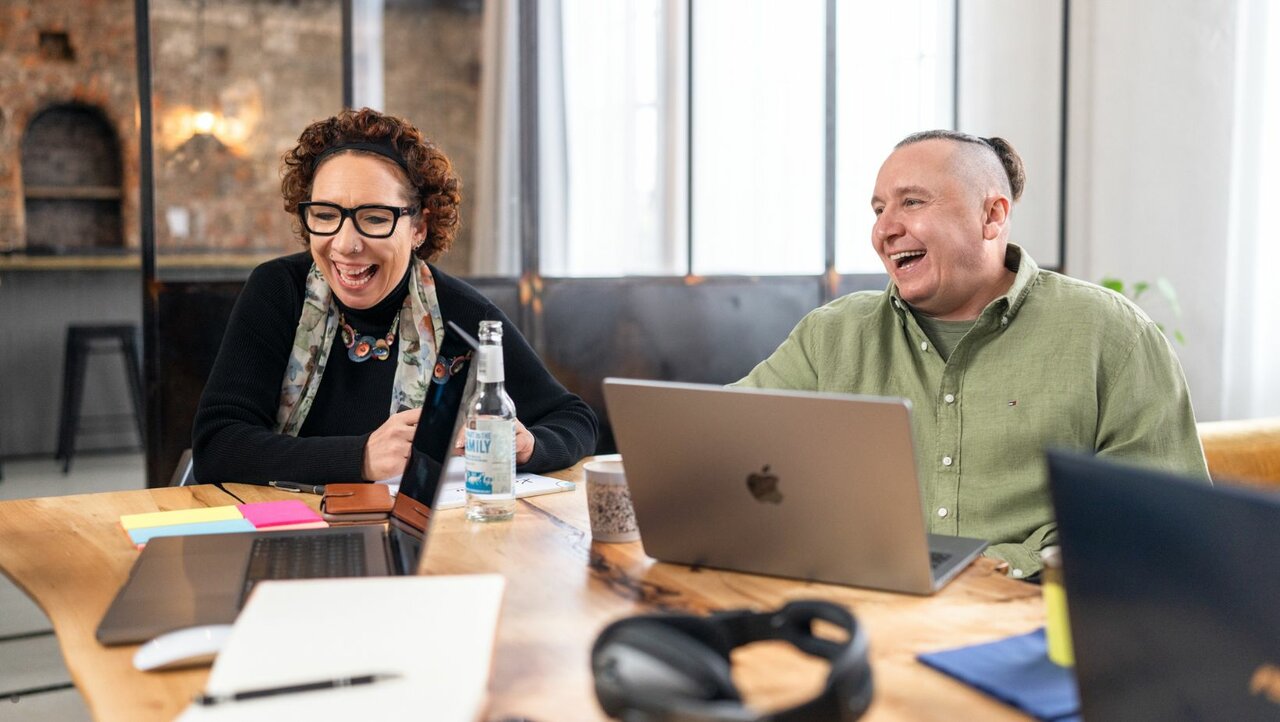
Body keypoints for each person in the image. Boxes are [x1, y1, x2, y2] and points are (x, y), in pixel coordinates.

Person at [734, 130, 1208, 578]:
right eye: (878, 209)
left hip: (1028, 617)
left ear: (992, 216)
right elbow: (718, 442)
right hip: (862, 602)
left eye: (912, 202)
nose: (884, 229)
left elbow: (1161, 522)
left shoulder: (1113, 333)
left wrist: (1007, 564)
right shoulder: (831, 335)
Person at [193, 108, 597, 484]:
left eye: (374, 218)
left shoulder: (461, 313)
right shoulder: (278, 291)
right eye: (326, 215)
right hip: (283, 532)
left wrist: (528, 446)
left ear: (419, 227)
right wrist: (361, 456)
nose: (346, 244)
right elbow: (218, 445)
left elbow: (574, 419)